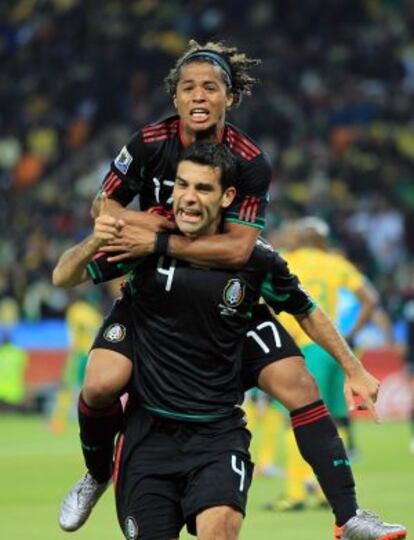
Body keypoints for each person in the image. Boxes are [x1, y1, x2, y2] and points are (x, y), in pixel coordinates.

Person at [53, 41, 404, 540]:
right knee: (101, 382)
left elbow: (240, 251)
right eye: (189, 87)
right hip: (155, 303)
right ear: (174, 97)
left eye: (211, 88)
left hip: (228, 299)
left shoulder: (249, 163)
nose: (199, 97)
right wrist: (140, 227)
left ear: (230, 99)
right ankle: (95, 473)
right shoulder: (149, 144)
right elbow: (101, 210)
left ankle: (348, 515)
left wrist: (160, 238)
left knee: (301, 387)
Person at [265, 217, 379, 511]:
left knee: (295, 418)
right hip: (331, 347)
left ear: (301, 237)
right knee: (332, 421)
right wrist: (349, 333)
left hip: (300, 345)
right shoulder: (336, 263)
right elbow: (370, 298)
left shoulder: (287, 259)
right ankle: (324, 490)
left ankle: (295, 493)